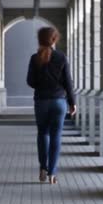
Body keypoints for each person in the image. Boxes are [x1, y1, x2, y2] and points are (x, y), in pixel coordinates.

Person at [26, 26, 76, 184]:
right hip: (59, 102)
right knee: (56, 136)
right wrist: (72, 103)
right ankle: (52, 174)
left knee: (43, 134)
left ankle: (43, 168)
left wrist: (42, 84)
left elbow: (30, 81)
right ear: (54, 40)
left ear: (40, 40)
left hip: (41, 101)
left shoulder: (35, 58)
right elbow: (68, 82)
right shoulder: (61, 57)